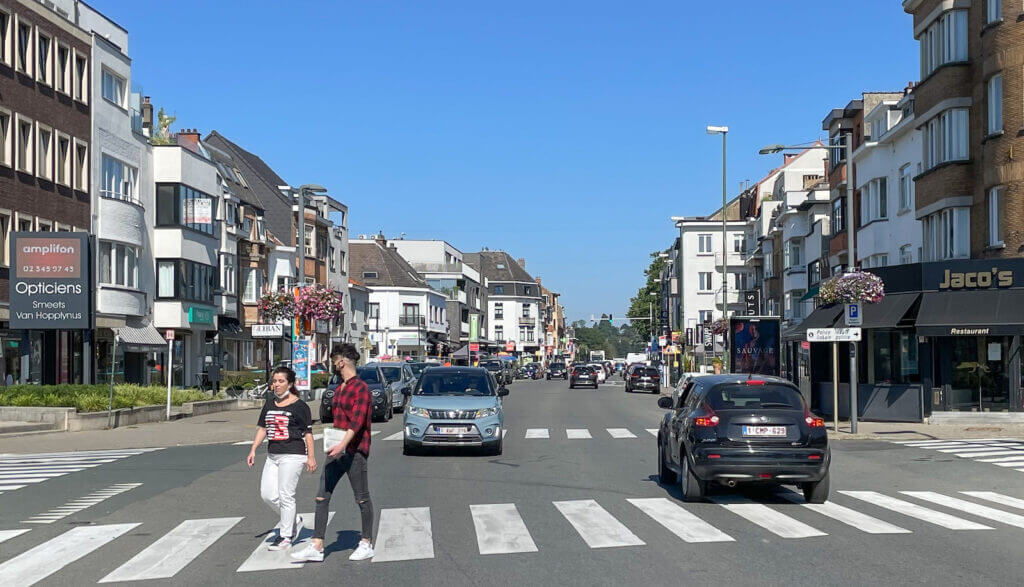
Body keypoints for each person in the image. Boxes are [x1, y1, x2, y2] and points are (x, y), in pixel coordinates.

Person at [292, 343, 375, 562]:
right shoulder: (340, 388)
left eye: (335, 361)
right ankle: (317, 545)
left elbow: (357, 422)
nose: (333, 365)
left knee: (361, 498)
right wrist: (333, 442)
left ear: (342, 361)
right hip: (336, 449)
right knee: (322, 496)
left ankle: (366, 542)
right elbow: (337, 420)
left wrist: (343, 444)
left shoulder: (361, 389)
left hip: (355, 451)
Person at [246, 366, 316, 551]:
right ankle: (294, 520)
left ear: (290, 384)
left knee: (286, 495)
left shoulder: (300, 406)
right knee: (267, 495)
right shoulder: (269, 403)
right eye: (274, 381)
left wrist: (311, 457)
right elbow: (262, 428)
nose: (276, 384)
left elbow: (308, 433)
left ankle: (286, 536)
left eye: (280, 381)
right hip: (273, 454)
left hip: (293, 454)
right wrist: (253, 449)